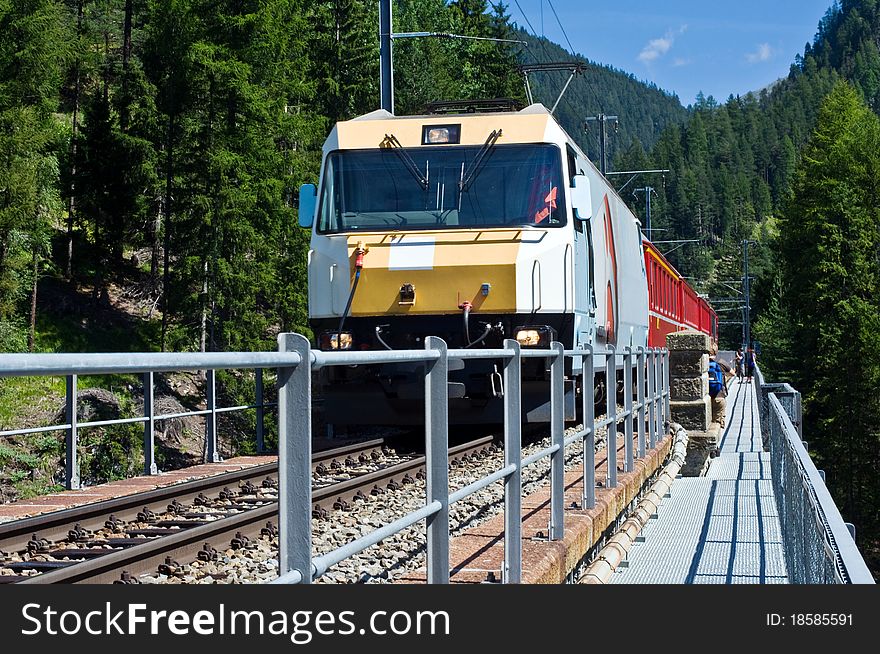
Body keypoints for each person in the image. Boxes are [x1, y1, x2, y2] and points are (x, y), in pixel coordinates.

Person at [708, 348, 732, 428]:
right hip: (719, 396)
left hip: (707, 397)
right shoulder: (721, 362)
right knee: (718, 424)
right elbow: (732, 373)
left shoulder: (703, 362)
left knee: (709, 423)